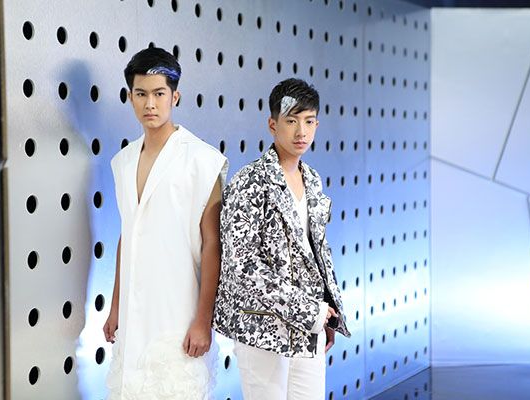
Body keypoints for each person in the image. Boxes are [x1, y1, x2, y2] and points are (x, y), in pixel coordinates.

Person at [213, 78, 350, 400]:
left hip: (309, 324)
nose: (301, 131)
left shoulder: (312, 179)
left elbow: (317, 252)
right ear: (272, 125)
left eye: (309, 121)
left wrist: (327, 312)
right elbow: (242, 265)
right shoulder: (249, 181)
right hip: (261, 325)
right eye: (291, 121)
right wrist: (309, 311)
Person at [103, 47, 228, 399]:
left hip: (179, 312)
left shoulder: (202, 160)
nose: (150, 104)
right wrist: (116, 306)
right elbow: (128, 235)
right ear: (130, 97)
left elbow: (213, 243)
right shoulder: (122, 162)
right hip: (133, 317)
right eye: (141, 94)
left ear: (175, 96)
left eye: (159, 94)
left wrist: (203, 320)